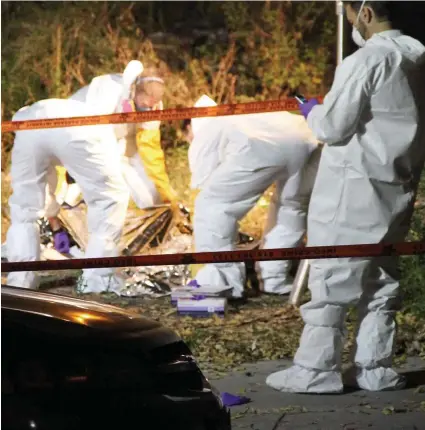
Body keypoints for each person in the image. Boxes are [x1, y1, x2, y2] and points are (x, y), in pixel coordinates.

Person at [266, 0, 425, 394]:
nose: (353, 24)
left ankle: (316, 370)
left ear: (366, 13)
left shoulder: (367, 61)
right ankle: (375, 368)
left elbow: (335, 126)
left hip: (353, 188)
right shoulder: (418, 60)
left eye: (353, 16)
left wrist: (311, 111)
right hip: (397, 186)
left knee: (332, 279)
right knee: (381, 279)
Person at [183, 95, 322, 299]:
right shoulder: (245, 115)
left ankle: (221, 283)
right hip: (308, 140)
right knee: (291, 208)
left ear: (191, 128)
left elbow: (205, 183)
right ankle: (274, 279)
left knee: (213, 206)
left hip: (262, 147)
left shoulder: (210, 128)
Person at [6, 99, 130, 294]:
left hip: (28, 125)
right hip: (76, 126)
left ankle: (21, 280)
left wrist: (54, 220)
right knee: (110, 198)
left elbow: (47, 185)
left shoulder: (73, 105)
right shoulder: (103, 130)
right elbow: (102, 185)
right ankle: (96, 282)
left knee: (24, 207)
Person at [69, 61, 179, 211]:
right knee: (108, 188)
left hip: (119, 138)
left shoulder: (154, 107)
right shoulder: (109, 90)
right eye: (145, 105)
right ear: (134, 91)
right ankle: (64, 212)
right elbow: (91, 134)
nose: (148, 109)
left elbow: (151, 151)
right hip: (79, 133)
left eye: (151, 106)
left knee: (152, 196)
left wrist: (167, 195)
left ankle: (159, 219)